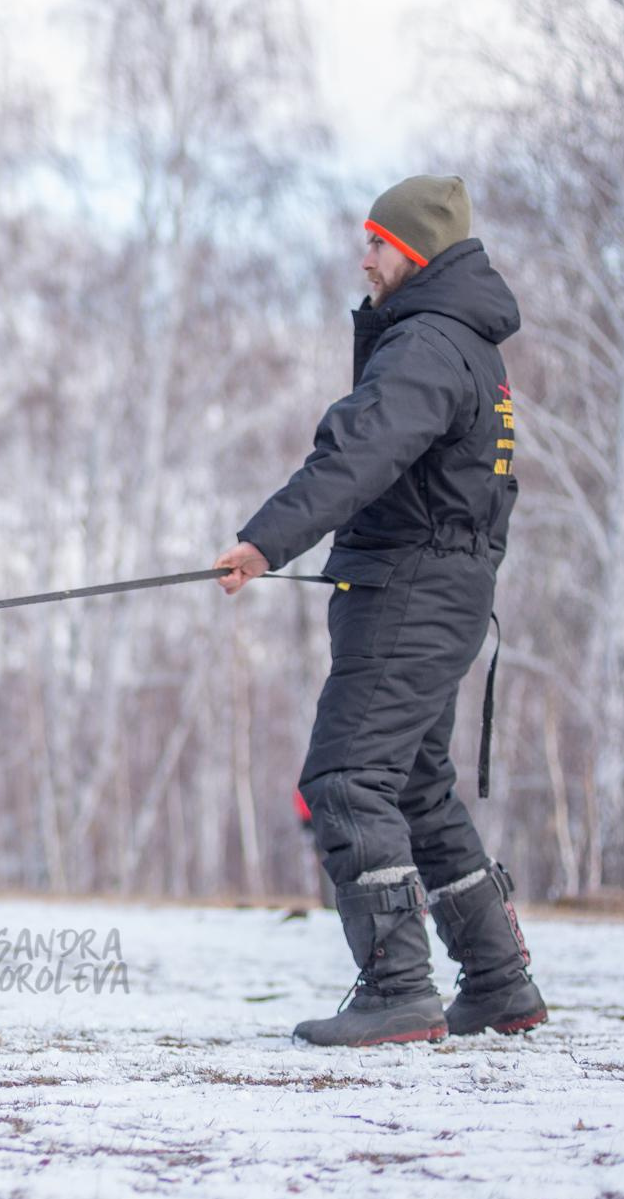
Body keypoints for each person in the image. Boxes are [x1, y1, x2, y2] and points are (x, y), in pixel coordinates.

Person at [215, 175, 546, 1047]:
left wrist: (262, 542)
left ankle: (398, 986)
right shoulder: (465, 345)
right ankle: (500, 983)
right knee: (413, 784)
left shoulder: (429, 345)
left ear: (419, 253)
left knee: (346, 779)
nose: (364, 259)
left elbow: (358, 455)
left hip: (409, 588)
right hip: (440, 587)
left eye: (378, 245)